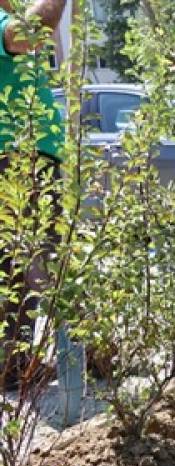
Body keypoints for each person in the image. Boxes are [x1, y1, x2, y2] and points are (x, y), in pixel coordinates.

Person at [1, 0, 66, 391]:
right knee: (34, 259)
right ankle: (17, 364)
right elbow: (30, 32)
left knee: (21, 263)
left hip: (26, 154)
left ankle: (15, 361)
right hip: (19, 156)